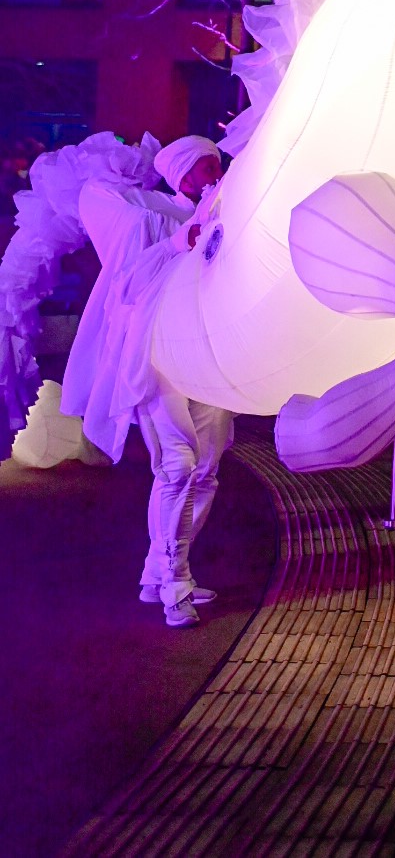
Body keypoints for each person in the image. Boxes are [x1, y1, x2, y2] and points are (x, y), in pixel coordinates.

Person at [63, 134, 232, 628]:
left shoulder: (227, 214)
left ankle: (156, 572)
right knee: (178, 465)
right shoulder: (151, 214)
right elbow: (130, 280)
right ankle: (173, 585)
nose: (213, 175)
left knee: (205, 470)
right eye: (203, 168)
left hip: (207, 355)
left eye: (216, 165)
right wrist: (181, 241)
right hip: (157, 356)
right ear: (180, 174)